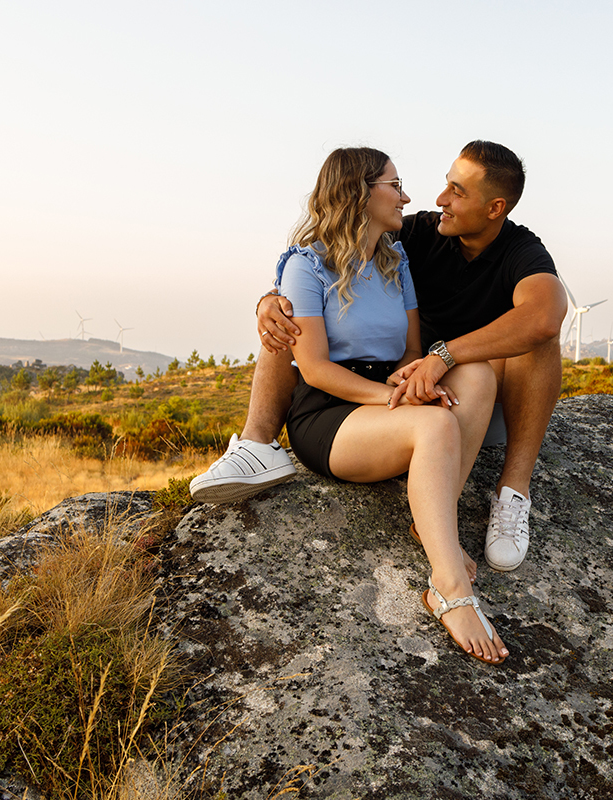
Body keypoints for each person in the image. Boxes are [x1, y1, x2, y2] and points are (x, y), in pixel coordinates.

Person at [192, 141, 566, 574]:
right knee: (288, 316)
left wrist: (444, 356)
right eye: (445, 184)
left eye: (457, 192)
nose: (438, 199)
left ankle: (513, 492)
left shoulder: (521, 250)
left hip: (474, 399)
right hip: (401, 385)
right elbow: (326, 258)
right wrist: (269, 300)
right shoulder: (414, 234)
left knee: (535, 341)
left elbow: (543, 317)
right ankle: (256, 445)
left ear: (495, 207)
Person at [206, 146, 508, 664]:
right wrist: (399, 399)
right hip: (329, 411)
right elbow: (317, 368)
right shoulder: (307, 265)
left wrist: (411, 380)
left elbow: (411, 351)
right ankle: (449, 586)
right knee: (435, 426)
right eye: (394, 184)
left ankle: (431, 521)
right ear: (359, 193)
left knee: (477, 375)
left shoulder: (397, 260)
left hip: (384, 396)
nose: (407, 196)